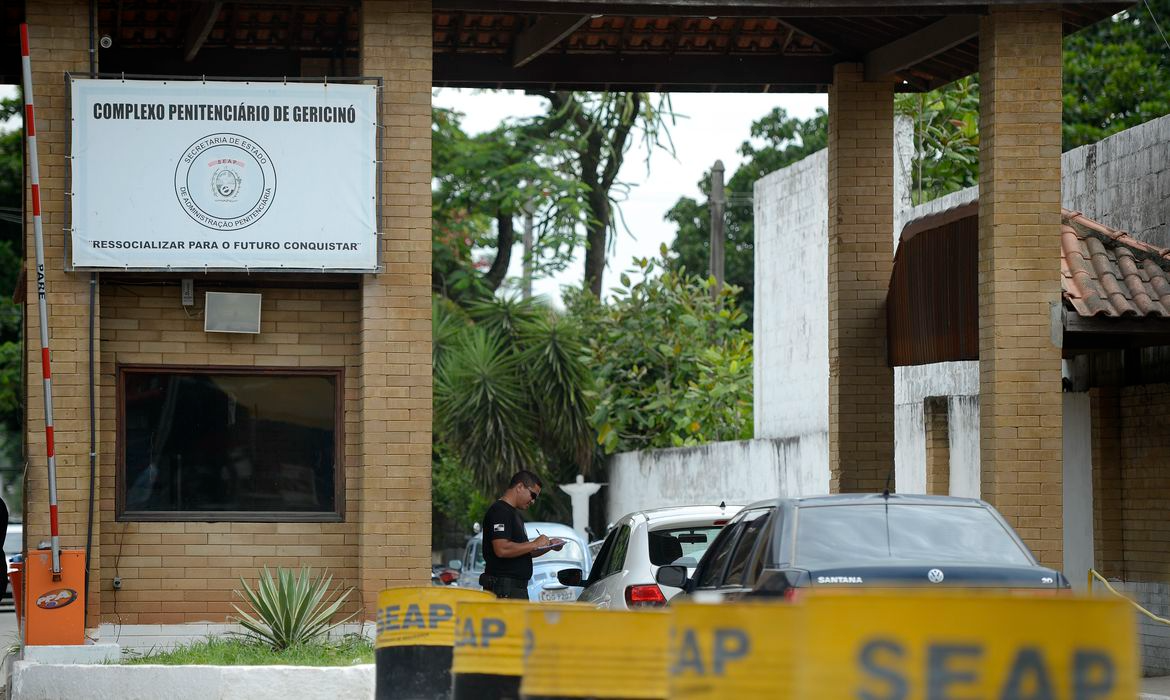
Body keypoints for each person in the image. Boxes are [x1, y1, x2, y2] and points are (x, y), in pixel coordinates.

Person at [479, 470, 563, 600]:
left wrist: (549, 546)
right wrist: (535, 543)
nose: (533, 501)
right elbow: (502, 549)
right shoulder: (500, 511)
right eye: (533, 495)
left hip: (515, 589)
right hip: (504, 590)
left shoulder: (513, 514)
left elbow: (523, 551)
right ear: (520, 487)